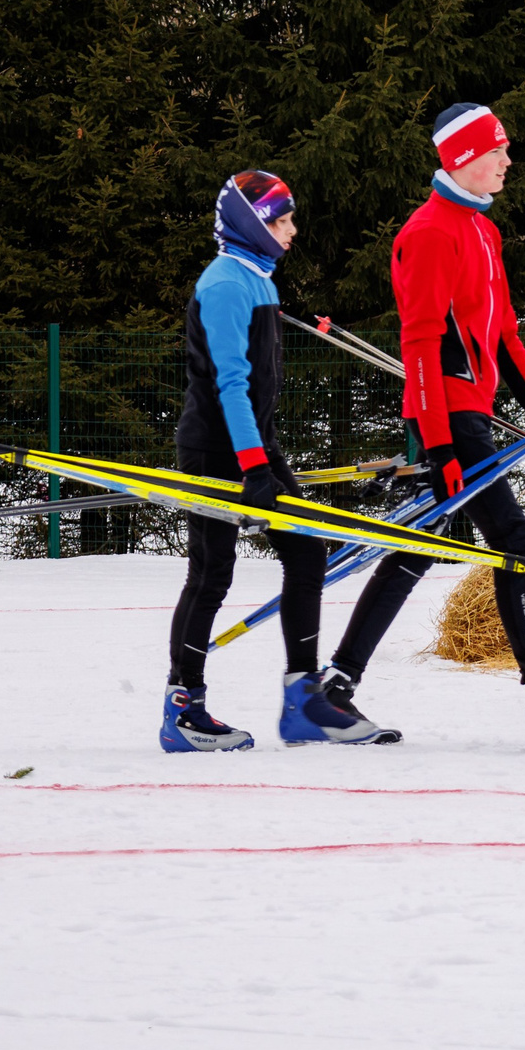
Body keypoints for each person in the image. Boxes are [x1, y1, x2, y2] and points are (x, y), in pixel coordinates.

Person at [330, 104, 525, 752]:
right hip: (448, 414)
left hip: (469, 411)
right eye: (498, 150)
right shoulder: (431, 232)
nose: (507, 160)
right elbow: (420, 344)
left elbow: (507, 338)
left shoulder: (482, 232)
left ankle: (335, 686)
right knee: (514, 538)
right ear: (463, 156)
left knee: (416, 546)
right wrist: (439, 443)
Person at [162, 171, 375, 754]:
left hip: (253, 443)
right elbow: (231, 383)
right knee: (211, 575)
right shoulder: (227, 283)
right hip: (215, 447)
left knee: (307, 550)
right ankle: (184, 708)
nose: (292, 230)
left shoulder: (257, 279)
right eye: (281, 221)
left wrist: (262, 458)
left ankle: (303, 700)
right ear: (252, 226)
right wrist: (253, 468)